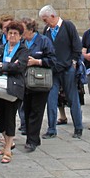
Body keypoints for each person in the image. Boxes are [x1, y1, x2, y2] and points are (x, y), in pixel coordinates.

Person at [40, 5, 83, 139]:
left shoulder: (68, 26)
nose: (44, 22)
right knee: (51, 99)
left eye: (45, 19)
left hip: (67, 68)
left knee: (72, 98)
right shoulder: (46, 30)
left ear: (52, 16)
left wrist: (74, 62)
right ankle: (51, 129)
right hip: (53, 70)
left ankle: (78, 127)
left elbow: (76, 46)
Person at [20, 17, 57, 153]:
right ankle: (32, 137)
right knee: (27, 110)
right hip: (24, 81)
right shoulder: (21, 42)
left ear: (31, 30)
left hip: (40, 82)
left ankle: (32, 140)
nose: (21, 33)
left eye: (23, 30)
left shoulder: (44, 41)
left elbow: (53, 60)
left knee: (36, 111)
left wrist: (38, 62)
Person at [0, 21, 28, 164]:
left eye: (15, 33)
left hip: (14, 87)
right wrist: (7, 66)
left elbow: (19, 66)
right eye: (10, 33)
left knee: (9, 116)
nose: (12, 36)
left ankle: (8, 148)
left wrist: (2, 66)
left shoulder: (23, 50)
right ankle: (6, 140)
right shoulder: (1, 48)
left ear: (20, 36)